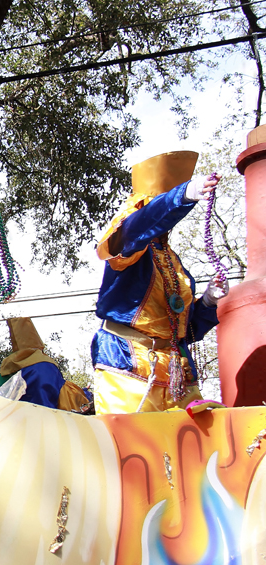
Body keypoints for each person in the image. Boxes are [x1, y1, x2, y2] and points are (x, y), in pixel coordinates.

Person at [92, 150, 226, 414]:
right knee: (134, 448)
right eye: (160, 205)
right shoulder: (126, 244)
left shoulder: (173, 262)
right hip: (127, 364)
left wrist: (208, 302)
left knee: (197, 447)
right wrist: (182, 195)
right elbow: (136, 227)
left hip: (178, 373)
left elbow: (184, 331)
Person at [0, 317, 89, 411]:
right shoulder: (46, 366)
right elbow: (64, 395)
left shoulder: (3, 373)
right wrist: (86, 394)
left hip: (15, 425)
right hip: (48, 422)